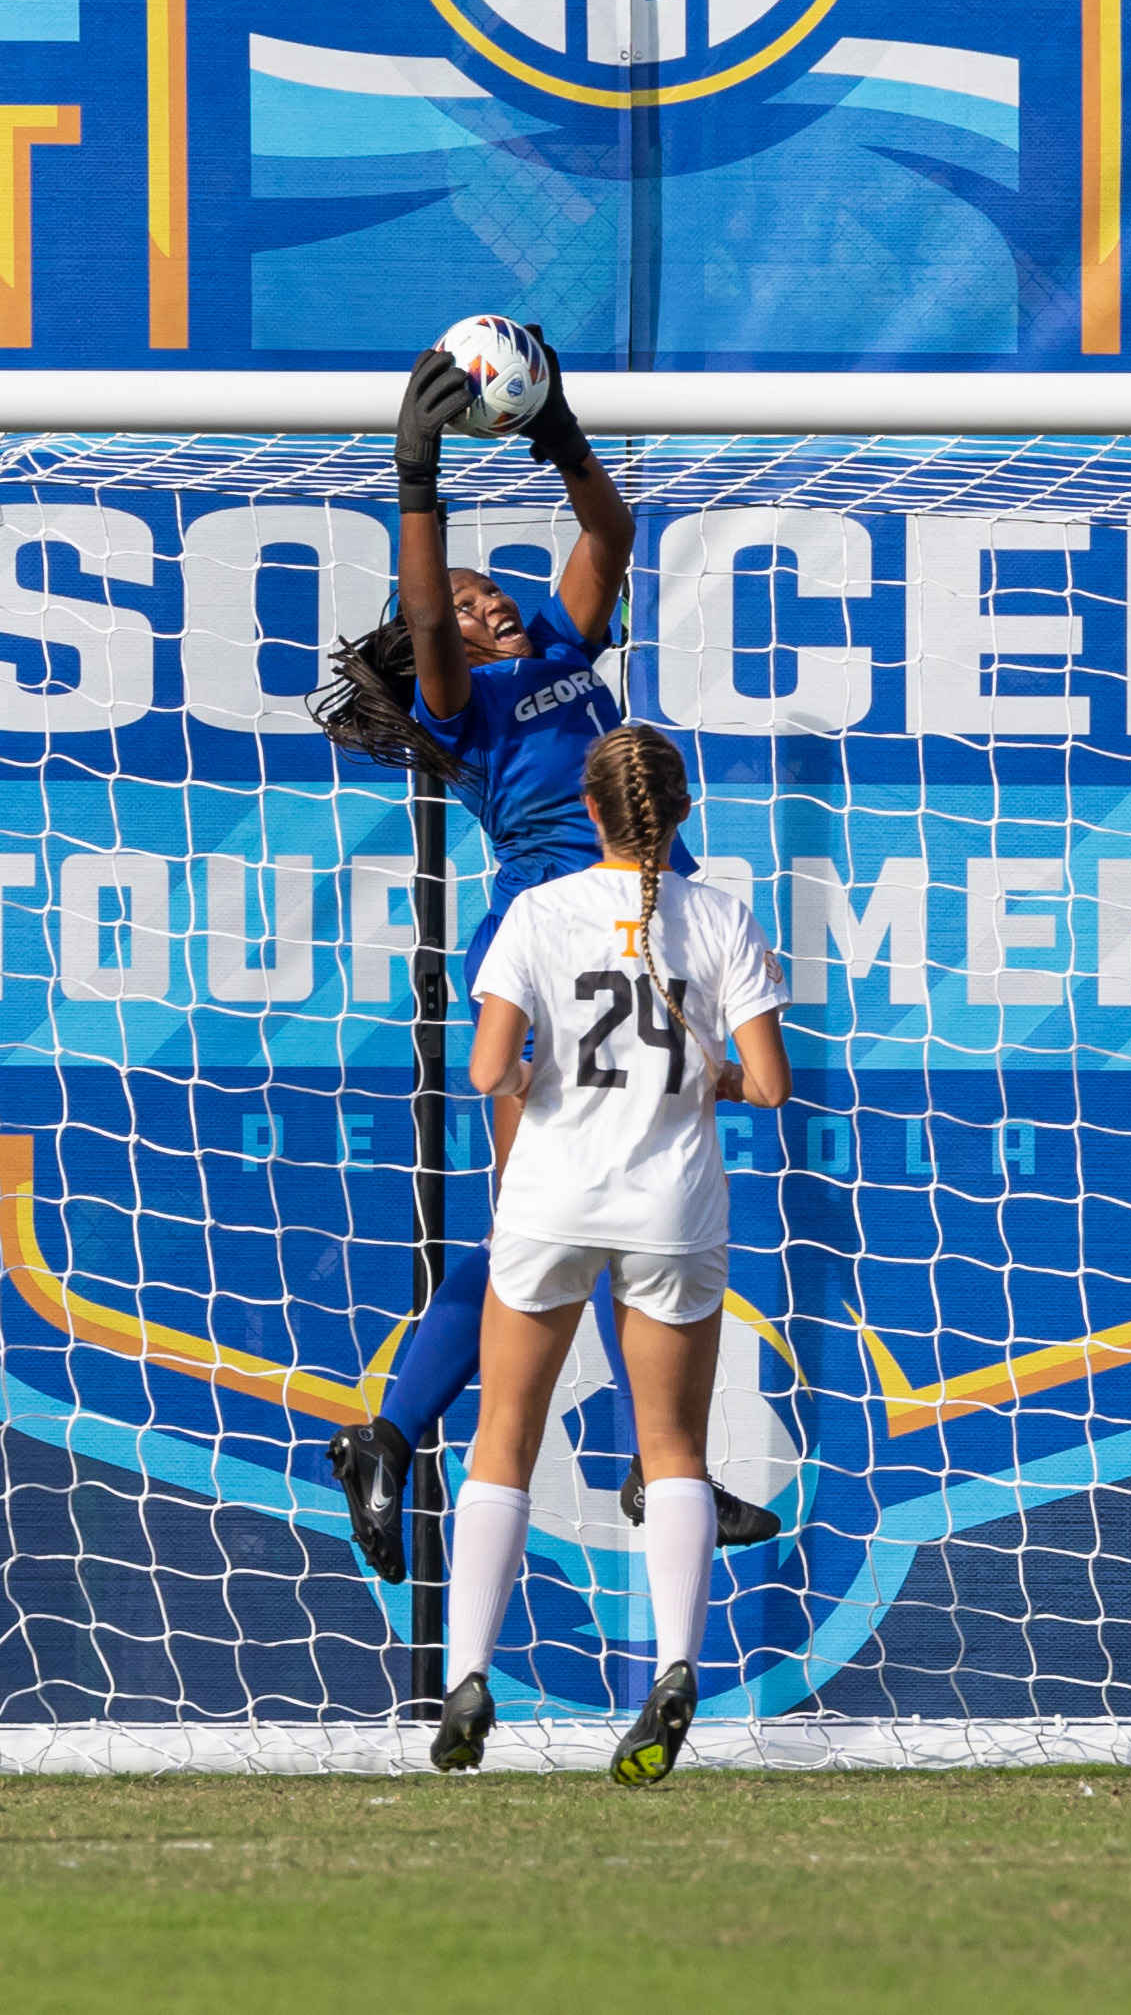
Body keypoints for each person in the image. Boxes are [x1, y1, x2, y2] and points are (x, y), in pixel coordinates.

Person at [310, 342, 774, 1577]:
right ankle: (437, 1437)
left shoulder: (565, 658)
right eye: (462, 607)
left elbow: (609, 537)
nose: (485, 603)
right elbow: (421, 617)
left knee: (620, 1206)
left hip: (650, 929)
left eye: (485, 594)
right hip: (556, 940)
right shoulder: (461, 704)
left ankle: (604, 1455)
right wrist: (416, 479)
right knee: (549, 1217)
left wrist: (560, 435)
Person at [433, 727, 789, 1784]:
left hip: (550, 1196)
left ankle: (465, 1677)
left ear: (586, 811)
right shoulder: (720, 915)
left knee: (503, 1433)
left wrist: (556, 1072)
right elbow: (768, 1085)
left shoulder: (537, 913)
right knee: (673, 1444)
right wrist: (694, 1079)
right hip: (672, 1205)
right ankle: (675, 1665)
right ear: (682, 813)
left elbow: (488, 1066)